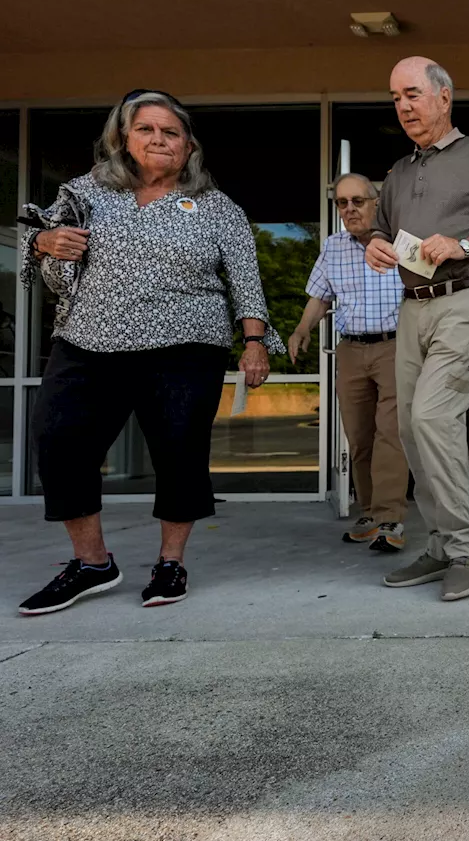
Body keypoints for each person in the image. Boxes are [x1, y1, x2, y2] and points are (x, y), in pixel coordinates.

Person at [17, 90, 284, 616]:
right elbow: (40, 237)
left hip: (186, 346)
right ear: (123, 137)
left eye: (171, 133)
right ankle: (92, 563)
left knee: (179, 454)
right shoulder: (87, 191)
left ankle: (170, 562)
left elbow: (247, 284)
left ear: (189, 147)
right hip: (89, 341)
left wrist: (254, 343)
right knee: (58, 440)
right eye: (147, 130)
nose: (159, 140)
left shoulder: (216, 206)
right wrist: (44, 244)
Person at [366, 57, 469, 601]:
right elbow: (382, 232)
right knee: (411, 431)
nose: (404, 107)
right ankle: (441, 544)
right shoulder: (396, 172)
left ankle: (466, 545)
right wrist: (374, 244)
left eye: (412, 94)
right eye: (395, 98)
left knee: (433, 417)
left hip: (464, 299)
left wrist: (464, 244)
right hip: (411, 306)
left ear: (444, 97)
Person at [289, 173, 409, 552]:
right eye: (343, 202)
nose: (350, 209)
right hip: (352, 350)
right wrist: (302, 328)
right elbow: (320, 296)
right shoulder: (334, 246)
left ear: (376, 203)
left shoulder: (400, 242)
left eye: (358, 200)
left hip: (394, 347)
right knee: (359, 437)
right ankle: (371, 512)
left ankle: (391, 518)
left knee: (391, 433)